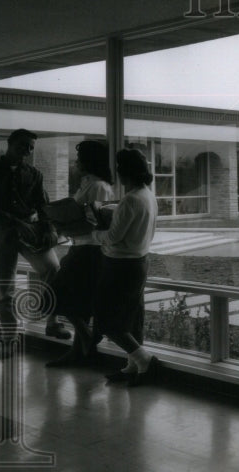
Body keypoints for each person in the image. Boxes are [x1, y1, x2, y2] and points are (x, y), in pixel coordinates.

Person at [0, 128, 71, 353]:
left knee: (52, 269)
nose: (26, 151)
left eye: (30, 148)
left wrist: (47, 227)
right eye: (23, 146)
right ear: (9, 144)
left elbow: (42, 204)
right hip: (0, 231)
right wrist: (17, 223)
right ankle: (9, 337)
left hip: (30, 230)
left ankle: (52, 322)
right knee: (4, 285)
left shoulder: (35, 174)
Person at [89, 148, 160, 386]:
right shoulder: (148, 195)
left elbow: (114, 237)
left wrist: (95, 233)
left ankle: (144, 359)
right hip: (140, 261)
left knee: (107, 320)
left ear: (123, 172)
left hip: (120, 265)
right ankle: (132, 365)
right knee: (131, 317)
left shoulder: (130, 200)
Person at [46, 140, 115, 368]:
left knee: (57, 294)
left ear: (89, 162)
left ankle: (86, 336)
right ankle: (81, 350)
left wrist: (73, 221)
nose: (76, 163)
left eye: (79, 159)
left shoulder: (100, 187)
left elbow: (102, 223)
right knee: (78, 301)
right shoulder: (86, 183)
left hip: (92, 249)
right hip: (79, 245)